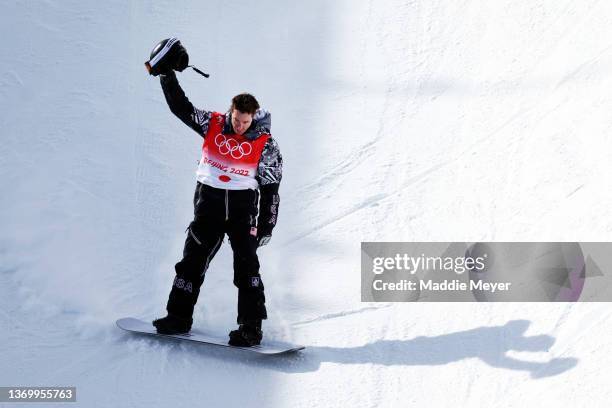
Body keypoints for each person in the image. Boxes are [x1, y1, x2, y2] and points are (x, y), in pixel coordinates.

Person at [146, 39, 282, 347]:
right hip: (207, 206)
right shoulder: (214, 124)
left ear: (254, 117)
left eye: (246, 121)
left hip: (241, 210)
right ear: (231, 111)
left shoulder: (266, 144)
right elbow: (182, 109)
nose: (239, 125)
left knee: (246, 267)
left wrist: (266, 225)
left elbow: (271, 187)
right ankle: (177, 316)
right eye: (236, 118)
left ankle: (251, 328)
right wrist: (168, 76)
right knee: (191, 261)